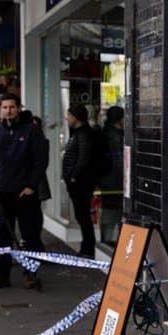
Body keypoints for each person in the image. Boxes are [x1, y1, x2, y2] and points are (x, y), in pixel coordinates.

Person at [0, 94, 48, 290]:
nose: (8, 110)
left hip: (24, 193)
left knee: (30, 235)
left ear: (19, 108)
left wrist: (31, 186)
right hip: (0, 192)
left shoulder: (32, 131)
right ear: (0, 109)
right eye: (5, 107)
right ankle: (2, 275)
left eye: (12, 107)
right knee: (2, 236)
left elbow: (40, 161)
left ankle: (30, 274)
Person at [62, 105, 104, 258]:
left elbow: (83, 158)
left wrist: (73, 177)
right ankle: (86, 248)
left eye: (68, 115)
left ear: (76, 117)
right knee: (81, 216)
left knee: (83, 216)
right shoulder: (79, 133)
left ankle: (87, 249)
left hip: (81, 183)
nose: (66, 118)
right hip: (78, 182)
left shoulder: (84, 134)